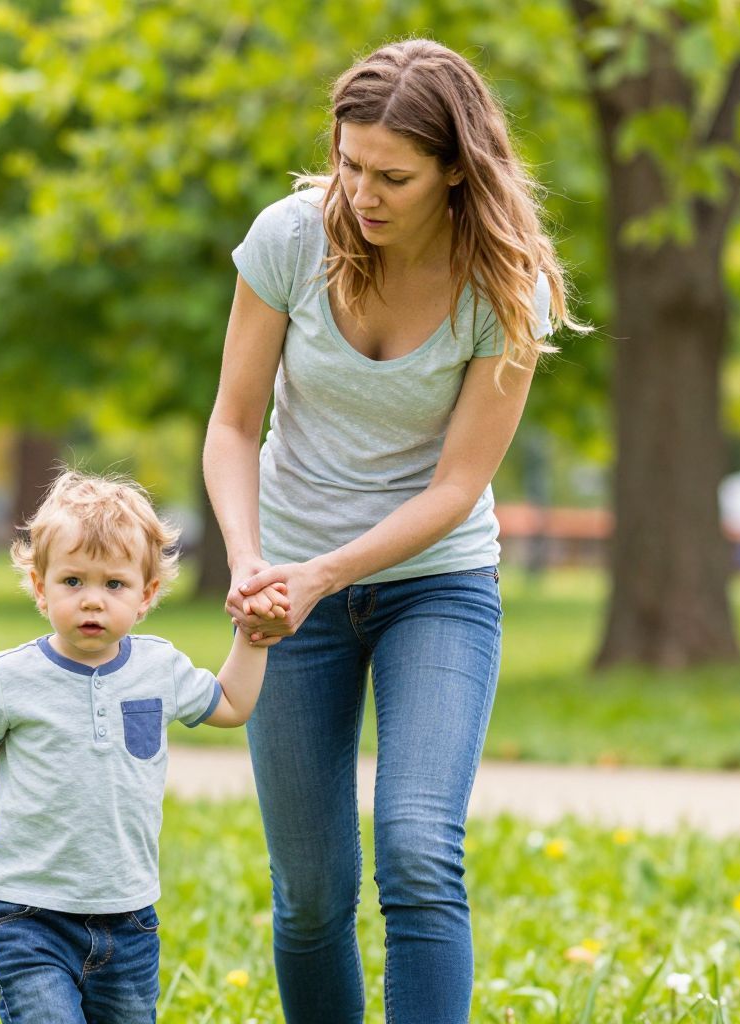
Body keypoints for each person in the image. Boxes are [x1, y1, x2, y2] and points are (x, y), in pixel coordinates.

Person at [203, 38, 582, 1023]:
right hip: (288, 588)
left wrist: (323, 572)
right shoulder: (290, 240)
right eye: (348, 162)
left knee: (418, 847)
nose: (361, 192)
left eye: (393, 175)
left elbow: (458, 486)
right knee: (315, 890)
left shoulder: (505, 284)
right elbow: (234, 424)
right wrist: (250, 561)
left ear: (457, 167)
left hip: (438, 584)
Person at [0, 471, 274, 1022]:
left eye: (114, 585)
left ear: (146, 595)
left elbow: (231, 704)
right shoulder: (14, 678)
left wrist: (253, 636)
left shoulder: (158, 668)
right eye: (72, 581)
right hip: (31, 916)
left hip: (130, 917)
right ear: (39, 585)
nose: (92, 601)